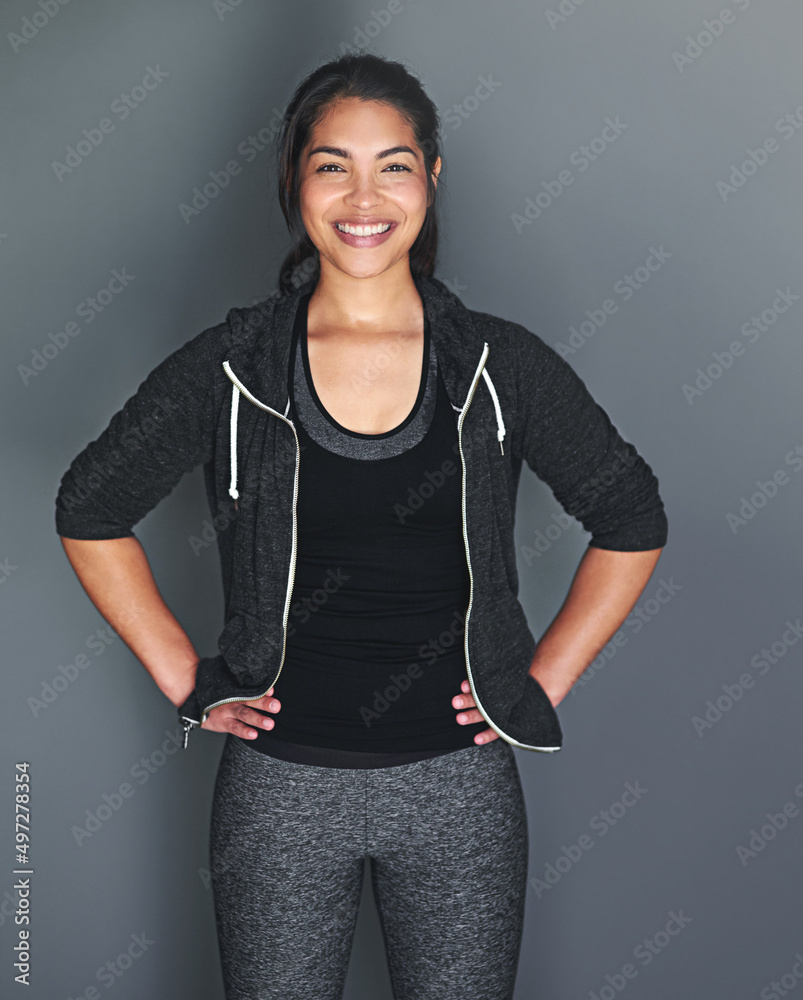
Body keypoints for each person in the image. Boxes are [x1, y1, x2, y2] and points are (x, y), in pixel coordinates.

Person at [55, 52, 668, 1000]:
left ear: (431, 179)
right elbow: (90, 508)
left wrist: (536, 682)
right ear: (296, 182)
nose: (363, 194)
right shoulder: (234, 366)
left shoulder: (499, 365)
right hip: (278, 797)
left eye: (393, 163)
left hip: (457, 794)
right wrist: (190, 682)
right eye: (331, 164)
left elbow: (629, 517)